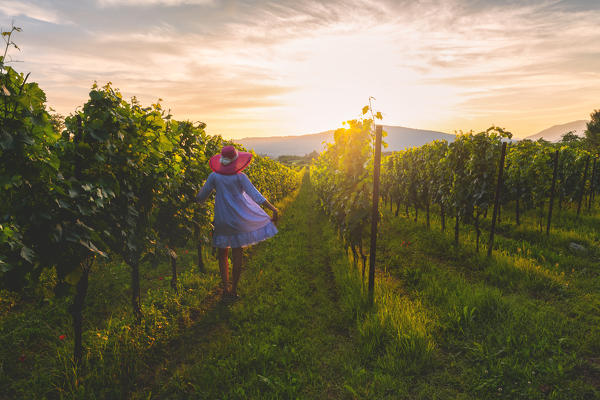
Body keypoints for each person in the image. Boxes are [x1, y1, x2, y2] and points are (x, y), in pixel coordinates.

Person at [196, 145, 279, 302]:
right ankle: (234, 289)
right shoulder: (240, 177)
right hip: (238, 219)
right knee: (237, 252)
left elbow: (201, 197)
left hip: (221, 219)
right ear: (235, 160)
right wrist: (272, 209)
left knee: (222, 254)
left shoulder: (214, 177)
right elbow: (256, 195)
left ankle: (225, 288)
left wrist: (190, 200)